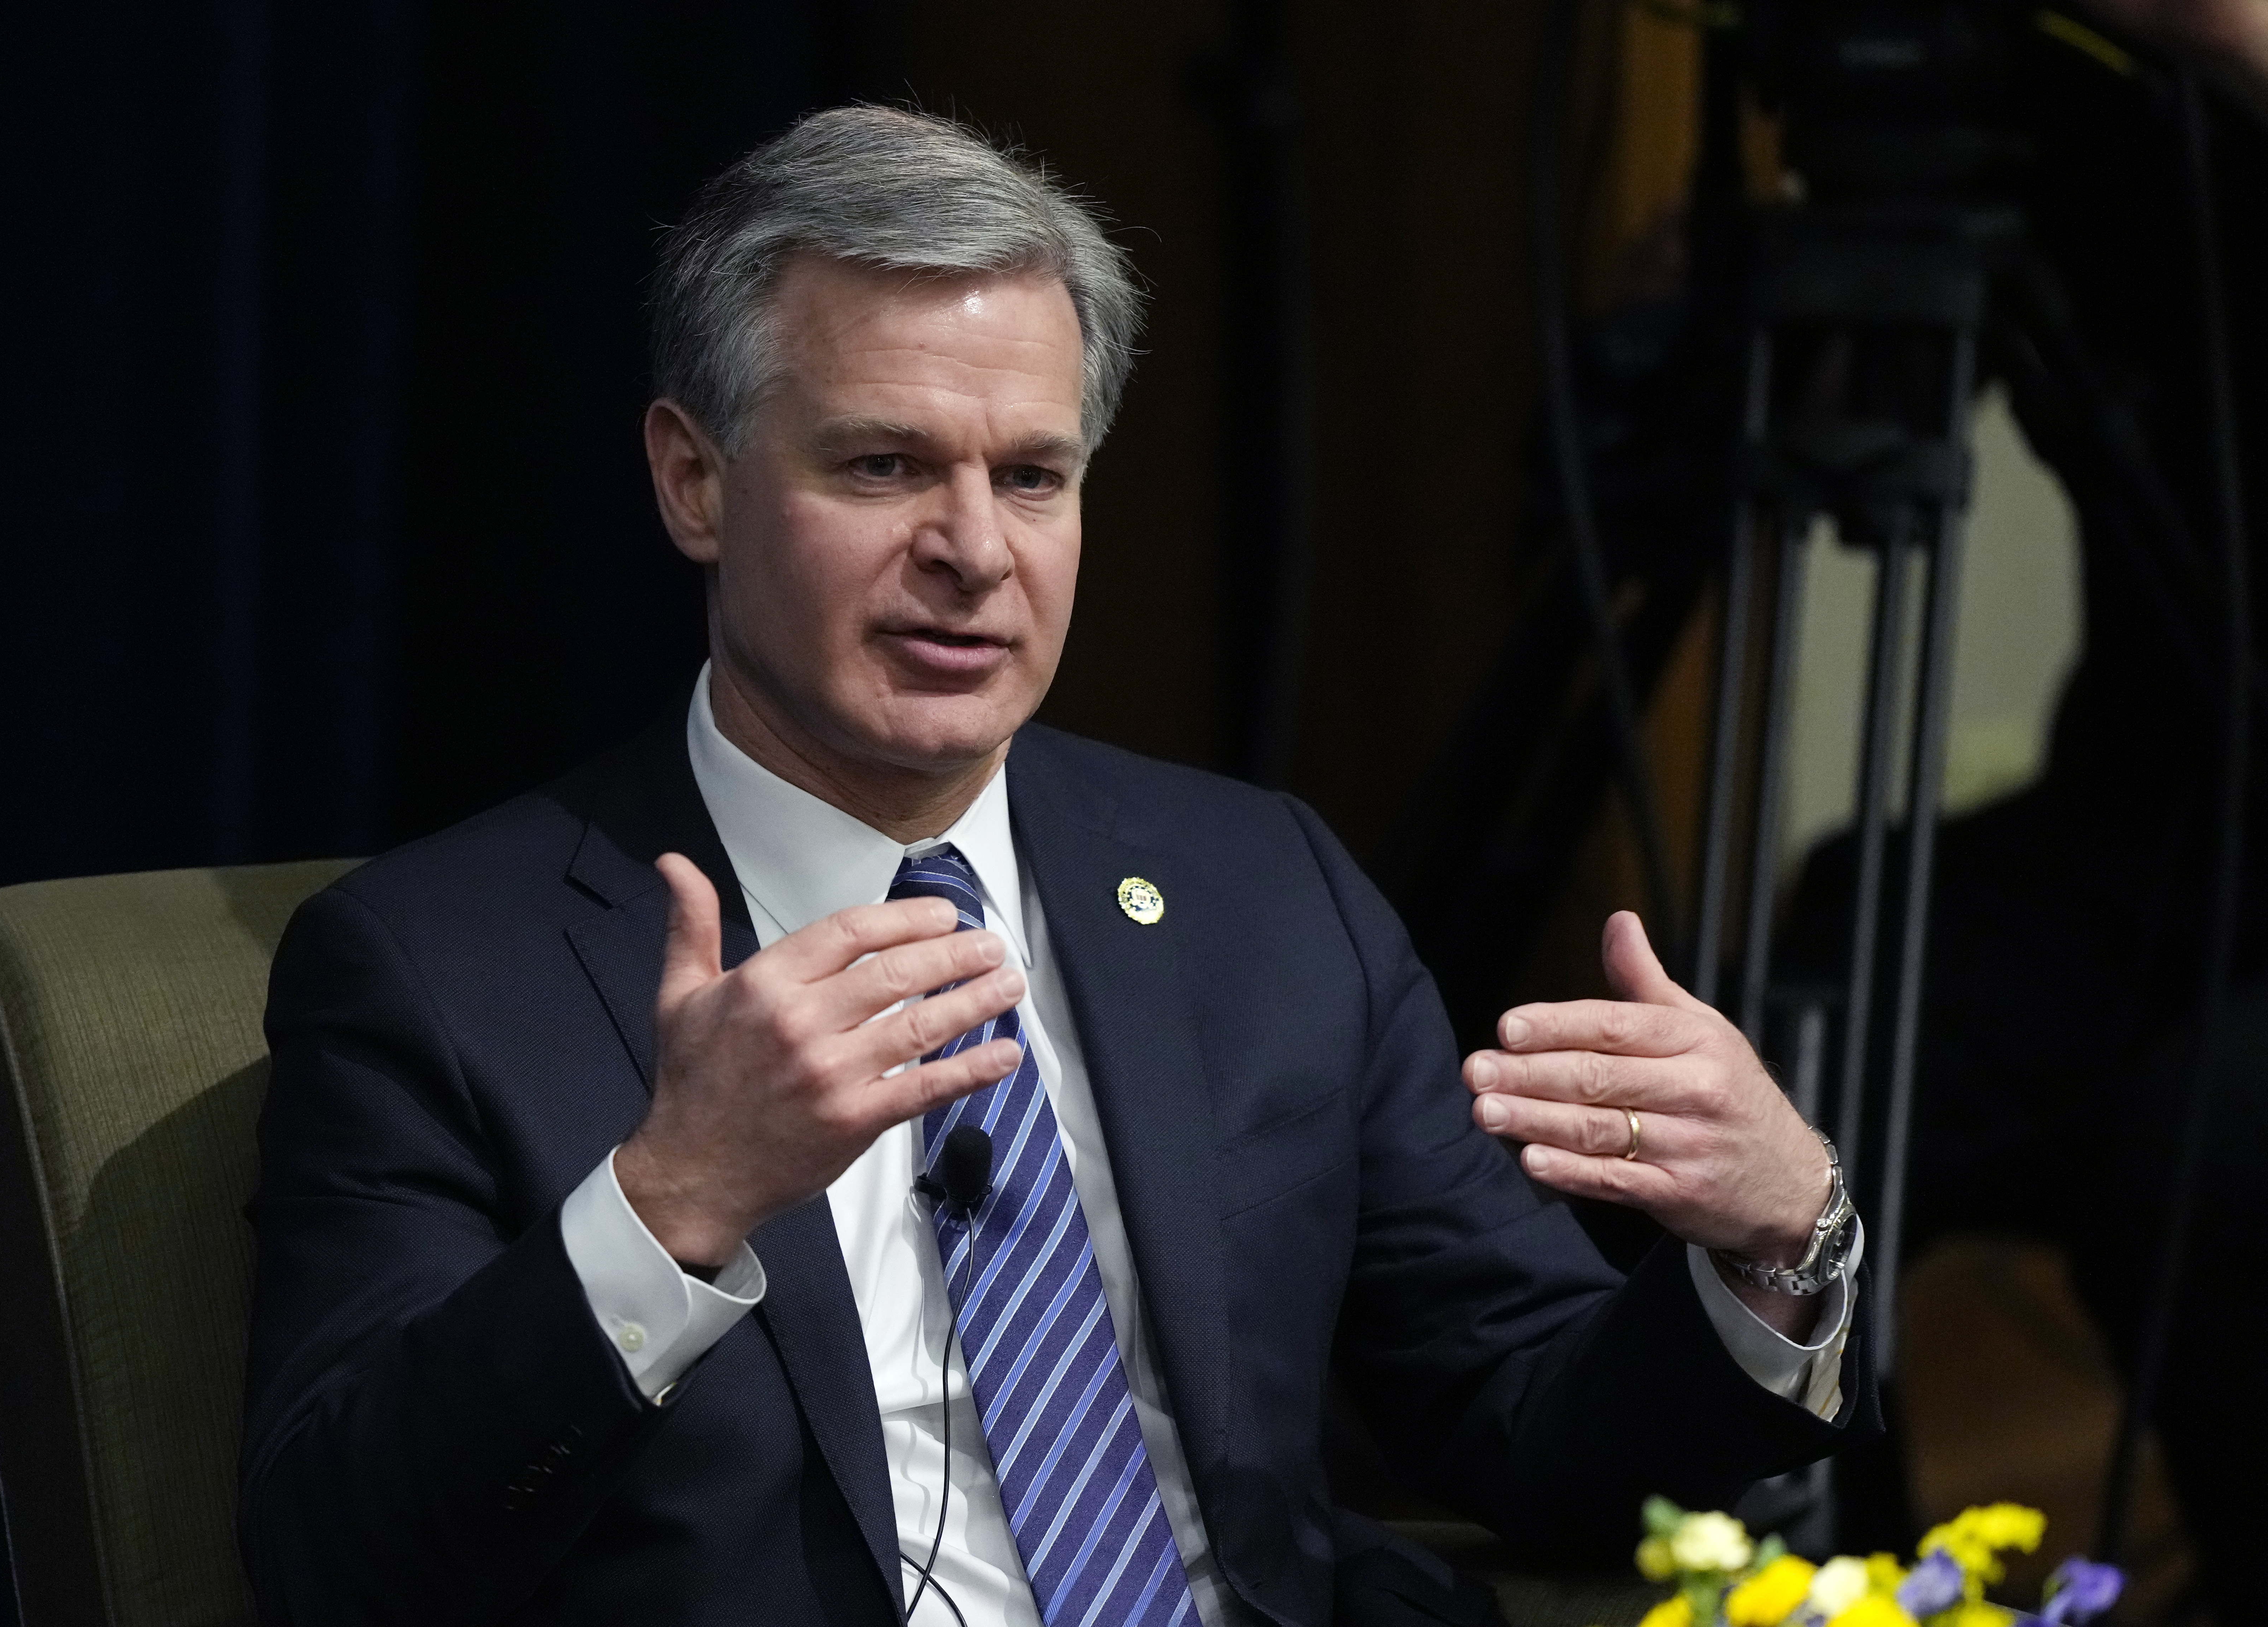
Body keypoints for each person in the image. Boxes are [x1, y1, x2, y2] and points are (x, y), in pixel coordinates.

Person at [238, 107, 1873, 1627]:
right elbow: (334, 1554)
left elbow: (1531, 1423)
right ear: (695, 480)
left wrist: (1778, 1244)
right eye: (883, 467)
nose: (972, 551)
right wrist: (672, 1202)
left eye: (1032, 477)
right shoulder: (440, 966)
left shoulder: (1259, 888)